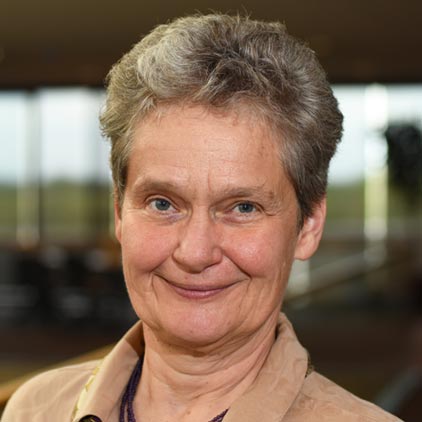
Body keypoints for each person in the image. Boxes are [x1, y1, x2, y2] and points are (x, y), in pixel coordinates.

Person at [2, 13, 401, 422]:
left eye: (243, 208)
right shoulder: (35, 410)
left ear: (309, 225)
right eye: (162, 204)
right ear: (119, 212)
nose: (194, 253)